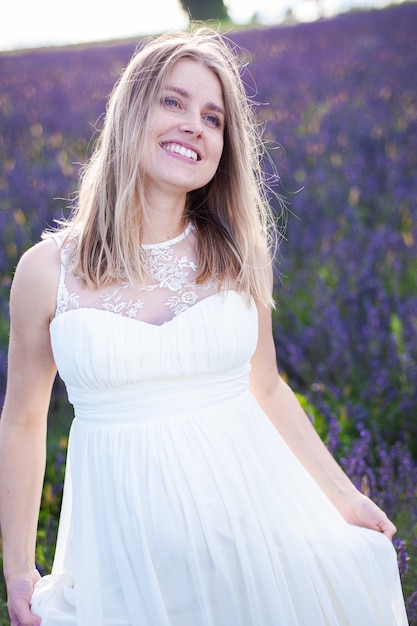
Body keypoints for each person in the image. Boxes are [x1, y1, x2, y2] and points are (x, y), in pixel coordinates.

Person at [0, 26, 409, 626]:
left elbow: (266, 387)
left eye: (213, 118)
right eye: (174, 101)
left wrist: (343, 494)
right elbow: (23, 418)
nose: (195, 124)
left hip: (251, 539)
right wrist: (16, 567)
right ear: (129, 114)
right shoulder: (47, 272)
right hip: (128, 559)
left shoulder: (239, 255)